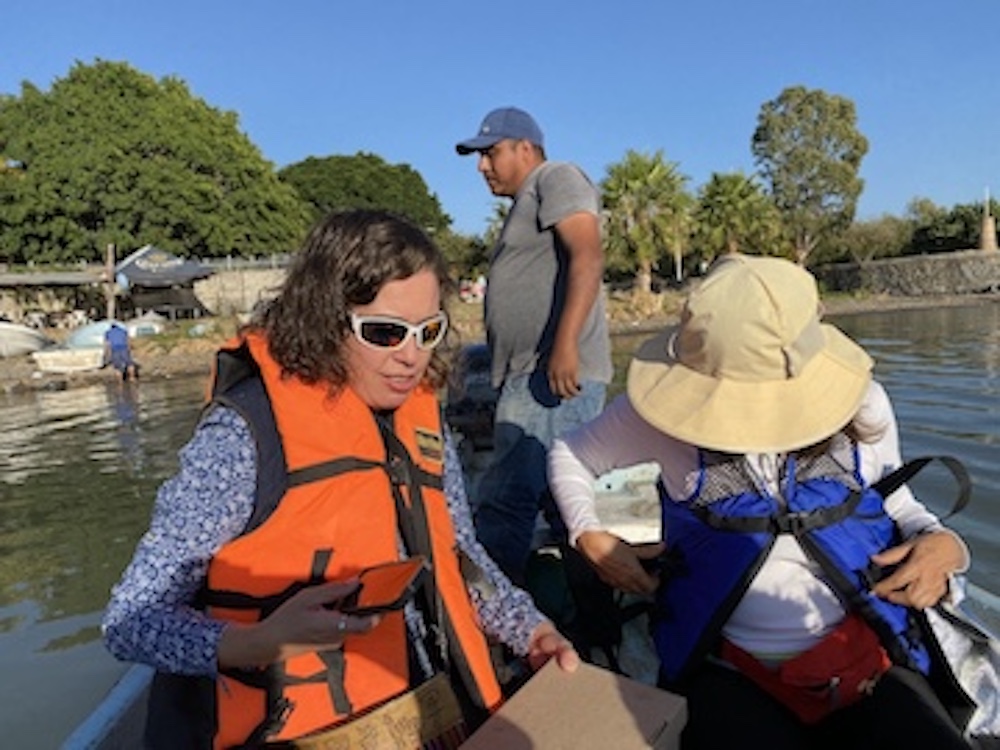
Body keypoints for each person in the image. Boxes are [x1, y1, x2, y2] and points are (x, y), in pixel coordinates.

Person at [102, 209, 578, 749]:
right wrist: (256, 642)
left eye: (428, 332)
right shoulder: (243, 438)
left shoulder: (422, 421)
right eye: (385, 333)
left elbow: (460, 555)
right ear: (325, 319)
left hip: (418, 712)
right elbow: (130, 621)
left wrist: (528, 630)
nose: (411, 357)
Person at [548, 254, 976, 749]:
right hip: (730, 668)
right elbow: (569, 454)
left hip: (864, 654)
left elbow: (894, 503)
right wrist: (588, 534)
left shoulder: (864, 403)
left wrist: (945, 544)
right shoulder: (656, 419)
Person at [455, 106, 613, 586]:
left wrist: (564, 346)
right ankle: (592, 616)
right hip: (527, 376)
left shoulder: (555, 177)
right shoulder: (525, 202)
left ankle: (491, 615)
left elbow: (587, 255)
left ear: (525, 148)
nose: (482, 166)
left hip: (548, 375)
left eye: (491, 153)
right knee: (564, 504)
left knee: (506, 500)